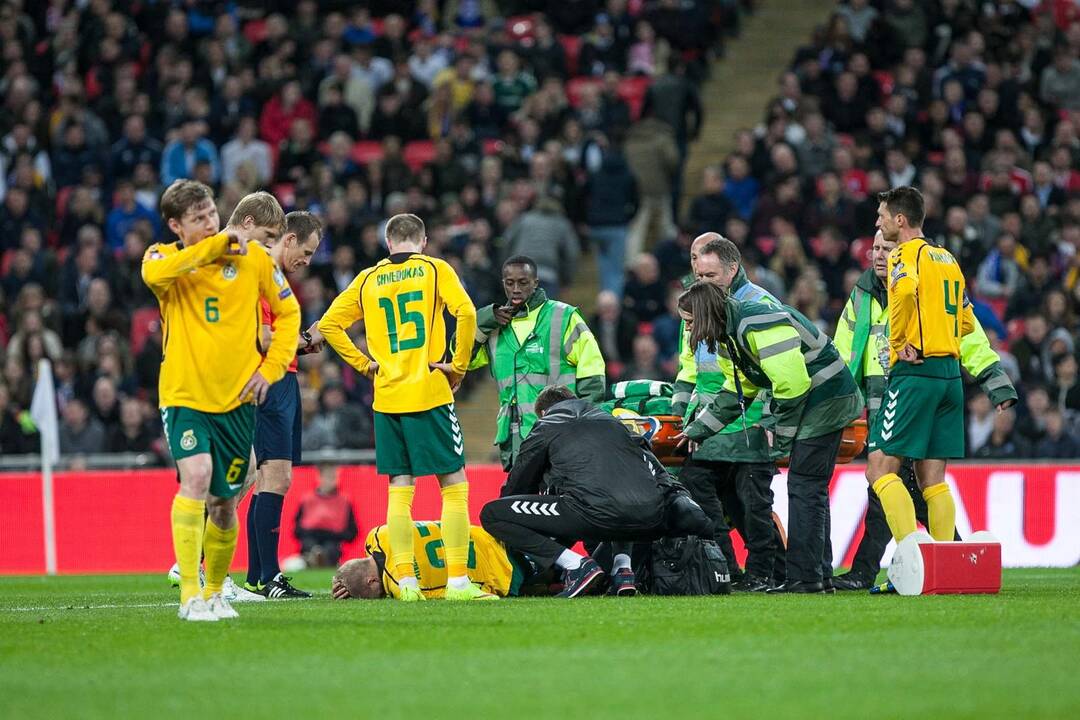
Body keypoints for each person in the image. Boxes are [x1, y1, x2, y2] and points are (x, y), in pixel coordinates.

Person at [143, 183, 300, 622]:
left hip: (236, 400)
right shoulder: (162, 258)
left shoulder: (254, 261)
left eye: (212, 213)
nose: (210, 222)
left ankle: (214, 591)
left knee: (224, 504)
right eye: (198, 218)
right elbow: (155, 277)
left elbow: (289, 315)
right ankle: (190, 594)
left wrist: (270, 369)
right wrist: (213, 246)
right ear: (176, 226)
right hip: (184, 394)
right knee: (195, 476)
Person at [831, 229, 1017, 590]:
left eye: (888, 248)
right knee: (911, 484)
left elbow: (969, 334)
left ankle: (911, 564)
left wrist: (993, 378)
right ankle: (948, 562)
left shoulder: (919, 281)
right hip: (885, 397)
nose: (880, 255)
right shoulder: (862, 294)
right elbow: (845, 352)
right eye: (875, 249)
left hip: (910, 389)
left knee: (886, 478)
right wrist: (837, 402)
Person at [318, 213, 488, 602]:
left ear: (388, 242)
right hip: (428, 391)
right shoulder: (434, 269)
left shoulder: (367, 279)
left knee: (399, 488)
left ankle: (406, 581)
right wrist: (458, 365)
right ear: (423, 241)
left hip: (387, 397)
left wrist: (364, 365)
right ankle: (458, 581)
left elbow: (329, 325)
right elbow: (465, 312)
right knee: (454, 485)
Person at [674, 282, 862, 593]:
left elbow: (793, 386)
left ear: (707, 314)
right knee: (807, 487)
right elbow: (739, 391)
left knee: (805, 486)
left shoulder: (755, 322)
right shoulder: (729, 337)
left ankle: (805, 578)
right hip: (814, 398)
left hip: (826, 398)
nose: (688, 328)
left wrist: (781, 437)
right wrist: (698, 429)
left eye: (691, 321)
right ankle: (813, 577)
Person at [480, 385, 713, 599]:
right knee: (619, 490)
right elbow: (657, 474)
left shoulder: (548, 425)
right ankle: (623, 569)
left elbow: (518, 486)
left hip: (593, 513)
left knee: (493, 514)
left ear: (542, 412)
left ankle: (576, 566)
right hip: (650, 517)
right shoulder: (615, 423)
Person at [865, 186, 975, 563]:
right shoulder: (947, 257)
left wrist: (900, 342)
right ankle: (946, 564)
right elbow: (965, 319)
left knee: (879, 469)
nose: (877, 222)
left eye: (881, 216)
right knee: (932, 481)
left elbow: (906, 291)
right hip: (950, 376)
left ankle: (914, 559)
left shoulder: (904, 254)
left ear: (900, 219)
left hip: (916, 372)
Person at [672, 234, 786, 591]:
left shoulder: (759, 305)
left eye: (706, 272)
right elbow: (689, 367)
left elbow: (772, 371)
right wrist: (681, 413)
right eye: (694, 264)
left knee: (751, 506)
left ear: (731, 268)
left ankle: (763, 573)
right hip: (709, 422)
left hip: (748, 421)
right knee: (701, 496)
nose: (697, 275)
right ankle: (726, 567)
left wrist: (770, 419)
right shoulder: (696, 307)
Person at [241, 211, 324, 600]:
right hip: (270, 381)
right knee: (273, 477)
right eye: (305, 251)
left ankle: (259, 577)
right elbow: (262, 338)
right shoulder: (262, 279)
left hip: (284, 377)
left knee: (267, 480)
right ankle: (268, 577)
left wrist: (301, 346)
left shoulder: (277, 281)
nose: (306, 261)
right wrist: (300, 342)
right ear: (287, 239)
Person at [465, 256, 605, 470]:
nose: (516, 289)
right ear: (503, 283)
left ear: (535, 282)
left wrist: (585, 423)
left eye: (523, 282)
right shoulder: (494, 326)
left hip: (561, 433)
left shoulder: (563, 316)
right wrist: (481, 321)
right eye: (510, 283)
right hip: (514, 439)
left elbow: (592, 370)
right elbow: (461, 360)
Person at [331, 522, 514, 601]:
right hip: (490, 535)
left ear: (372, 581)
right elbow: (366, 564)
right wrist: (346, 576)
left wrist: (352, 585)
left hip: (505, 571)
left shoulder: (402, 587)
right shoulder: (378, 535)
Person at [294, 465, 358, 568]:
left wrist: (334, 534)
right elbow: (297, 530)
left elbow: (352, 532)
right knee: (309, 544)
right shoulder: (307, 499)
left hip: (333, 542)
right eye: (329, 477)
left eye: (334, 477)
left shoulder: (344, 501)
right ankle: (315, 557)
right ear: (320, 477)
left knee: (331, 547)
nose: (332, 481)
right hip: (310, 540)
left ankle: (319, 558)